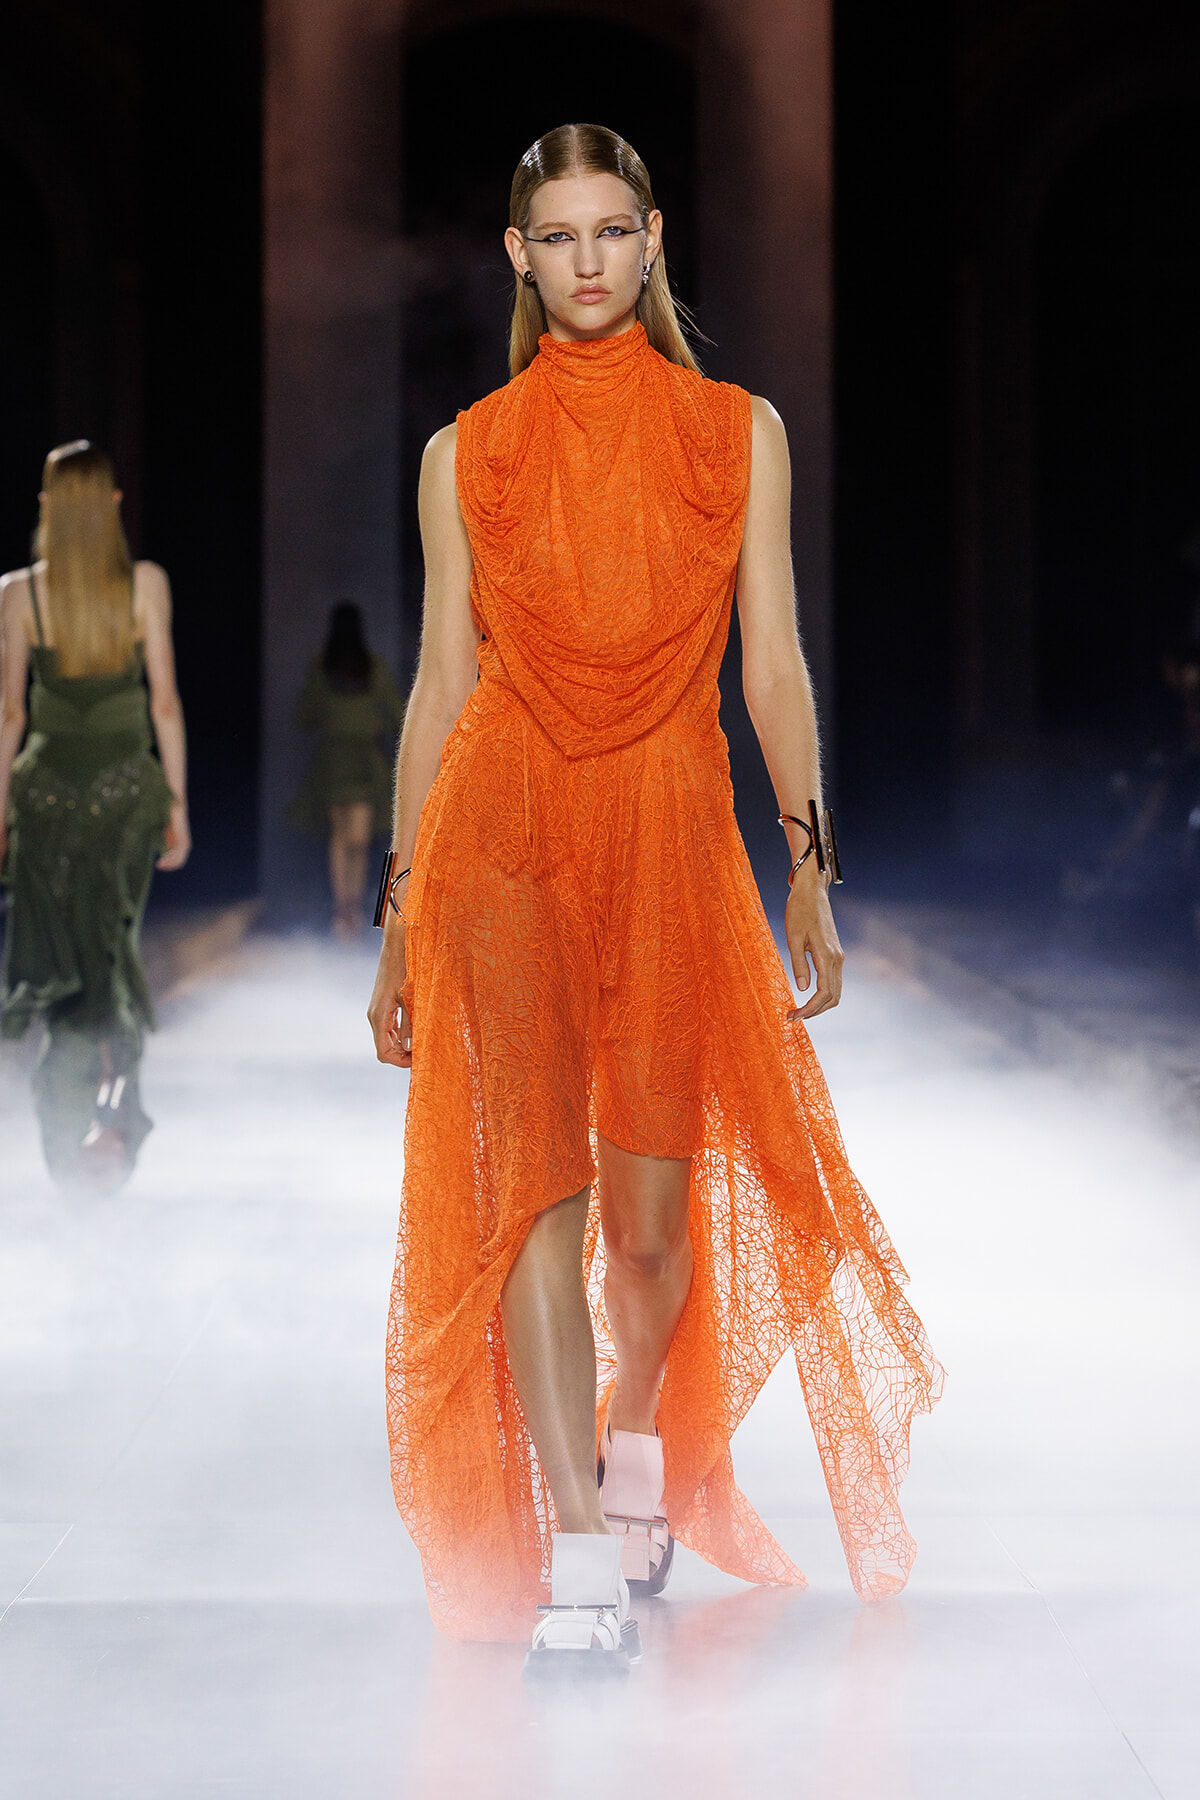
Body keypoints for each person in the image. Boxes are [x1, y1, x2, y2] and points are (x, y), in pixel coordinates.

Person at [368, 125, 942, 1667]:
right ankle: (575, 1546)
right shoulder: (464, 454)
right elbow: (439, 684)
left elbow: (772, 661)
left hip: (673, 832)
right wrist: (399, 905)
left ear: (654, 239)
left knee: (651, 1224)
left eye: (612, 231)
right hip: (504, 836)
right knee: (536, 1204)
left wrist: (810, 861)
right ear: (518, 256)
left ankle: (634, 1454)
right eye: (557, 237)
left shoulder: (733, 432)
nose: (588, 261)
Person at [0, 441, 189, 1189]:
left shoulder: (20, 593)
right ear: (111, 503)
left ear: (48, 506)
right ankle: (114, 1129)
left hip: (45, 799)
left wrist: (1, 814)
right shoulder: (144, 584)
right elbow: (165, 702)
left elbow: (10, 711)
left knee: (68, 977)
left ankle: (66, 1142)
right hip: (120, 800)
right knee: (111, 960)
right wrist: (176, 805)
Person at [290, 602, 404, 940]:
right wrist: (372, 721)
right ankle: (349, 911)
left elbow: (305, 716)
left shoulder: (324, 668)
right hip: (356, 760)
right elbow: (399, 715)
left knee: (344, 838)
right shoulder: (371, 667)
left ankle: (346, 912)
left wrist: (334, 718)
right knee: (357, 839)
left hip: (341, 758)